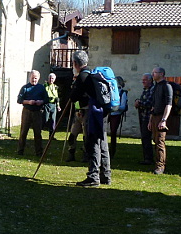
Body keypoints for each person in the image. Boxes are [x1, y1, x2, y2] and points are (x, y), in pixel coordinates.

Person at [68, 50, 111, 187]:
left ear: (75, 63)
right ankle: (106, 175)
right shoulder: (92, 74)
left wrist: (74, 85)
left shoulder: (82, 76)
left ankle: (93, 177)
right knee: (102, 144)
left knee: (92, 144)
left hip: (92, 114)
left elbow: (73, 96)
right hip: (102, 112)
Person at [16, 70, 48, 156]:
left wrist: (41, 102)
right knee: (23, 131)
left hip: (37, 112)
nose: (34, 80)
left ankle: (39, 152)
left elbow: (46, 99)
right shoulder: (25, 88)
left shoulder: (41, 88)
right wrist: (28, 102)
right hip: (27, 111)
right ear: (29, 77)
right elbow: (19, 100)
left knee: (37, 132)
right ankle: (20, 150)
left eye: (35, 78)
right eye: (32, 78)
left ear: (38, 78)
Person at [149, 67, 173, 175]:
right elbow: (153, 105)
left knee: (160, 142)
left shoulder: (167, 86)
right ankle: (157, 162)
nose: (153, 74)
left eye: (155, 72)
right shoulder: (156, 86)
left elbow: (169, 104)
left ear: (161, 74)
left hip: (161, 117)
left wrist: (164, 120)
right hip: (155, 116)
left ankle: (160, 166)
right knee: (155, 140)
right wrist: (150, 120)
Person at [134, 73, 154, 165]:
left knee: (146, 137)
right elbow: (142, 101)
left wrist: (139, 103)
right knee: (144, 138)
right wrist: (138, 101)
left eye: (145, 80)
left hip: (149, 118)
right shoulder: (146, 90)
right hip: (143, 116)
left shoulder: (152, 90)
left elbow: (149, 103)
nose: (143, 81)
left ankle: (149, 159)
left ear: (150, 80)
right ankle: (146, 157)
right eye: (142, 80)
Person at [108, 76, 128, 157]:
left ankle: (112, 150)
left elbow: (123, 106)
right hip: (110, 113)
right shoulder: (111, 92)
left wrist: (115, 107)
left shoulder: (122, 93)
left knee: (113, 132)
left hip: (116, 115)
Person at [42, 72, 60, 141]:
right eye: (50, 78)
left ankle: (51, 136)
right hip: (46, 104)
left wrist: (58, 106)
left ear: (54, 79)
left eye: (52, 78)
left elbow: (57, 97)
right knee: (45, 120)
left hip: (53, 105)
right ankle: (39, 133)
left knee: (53, 120)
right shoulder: (44, 86)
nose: (51, 80)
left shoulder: (55, 87)